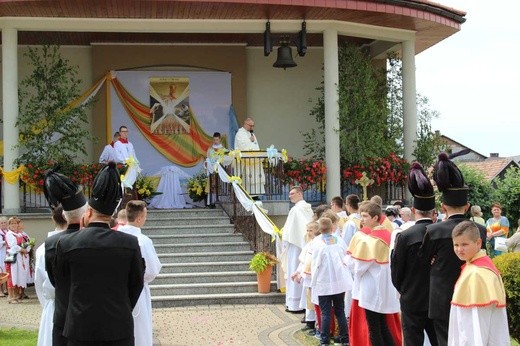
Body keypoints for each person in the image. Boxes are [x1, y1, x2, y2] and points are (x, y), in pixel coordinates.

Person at [54, 162, 144, 345]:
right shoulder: (129, 243)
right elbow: (136, 285)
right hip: (118, 326)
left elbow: (61, 286)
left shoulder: (66, 243)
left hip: (80, 328)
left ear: (88, 212)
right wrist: (121, 308)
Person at [421, 153, 487, 346]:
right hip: (471, 295)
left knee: (444, 341)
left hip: (441, 297)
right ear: (467, 206)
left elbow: (424, 260)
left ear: (442, 207)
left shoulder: (433, 230)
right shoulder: (480, 230)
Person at [391, 162, 438, 346]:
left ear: (412, 211)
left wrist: (405, 290)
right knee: (440, 341)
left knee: (412, 341)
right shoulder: (442, 234)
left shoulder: (404, 235)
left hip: (411, 299)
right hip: (436, 298)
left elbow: (396, 271)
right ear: (434, 213)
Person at [43, 168, 88, 346]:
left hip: (63, 313)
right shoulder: (93, 241)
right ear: (87, 214)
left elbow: (52, 281)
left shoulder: (50, 244)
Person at [345, 201, 402, 346]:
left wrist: (347, 261)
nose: (362, 220)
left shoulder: (369, 240)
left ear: (375, 218)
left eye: (365, 216)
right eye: (361, 216)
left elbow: (358, 267)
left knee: (374, 329)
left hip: (371, 288)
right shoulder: (389, 234)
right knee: (383, 326)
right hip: (385, 287)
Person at [448, 220, 510, 345]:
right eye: (456, 245)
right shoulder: (475, 266)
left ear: (478, 243)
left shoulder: (478, 273)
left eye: (464, 244)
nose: (459, 249)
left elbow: (476, 327)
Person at [119, 200, 162, 346]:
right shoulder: (143, 241)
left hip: (115, 290)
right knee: (140, 331)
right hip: (138, 291)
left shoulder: (114, 237)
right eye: (145, 216)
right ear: (139, 218)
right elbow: (152, 270)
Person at [309, 217, 352, 346]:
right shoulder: (339, 240)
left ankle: (324, 340)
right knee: (340, 310)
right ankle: (345, 339)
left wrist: (314, 281)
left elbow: (315, 263)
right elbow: (346, 256)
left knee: (326, 312)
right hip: (339, 281)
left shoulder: (316, 242)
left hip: (324, 282)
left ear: (319, 229)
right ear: (331, 227)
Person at [35, 205, 68, 346]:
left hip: (54, 302)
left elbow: (38, 281)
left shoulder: (43, 248)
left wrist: (46, 302)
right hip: (61, 302)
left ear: (53, 219)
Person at [280, 186, 314, 313]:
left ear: (300, 194)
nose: (290, 196)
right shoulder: (307, 208)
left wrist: (284, 238)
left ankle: (295, 304)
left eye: (292, 194)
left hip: (295, 246)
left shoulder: (296, 210)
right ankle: (301, 304)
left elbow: (291, 230)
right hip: (302, 244)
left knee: (294, 271)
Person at [233, 117, 265, 195]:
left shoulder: (251, 133)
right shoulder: (240, 133)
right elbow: (241, 146)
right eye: (250, 125)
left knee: (256, 177)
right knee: (247, 179)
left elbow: (256, 145)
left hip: (254, 160)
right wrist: (249, 140)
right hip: (245, 162)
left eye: (253, 126)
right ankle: (248, 195)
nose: (252, 128)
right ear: (245, 123)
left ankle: (256, 195)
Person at [205, 132, 228, 207]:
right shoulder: (210, 149)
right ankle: (211, 202)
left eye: (217, 140)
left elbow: (226, 160)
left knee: (219, 187)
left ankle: (220, 203)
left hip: (220, 170)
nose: (215, 141)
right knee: (212, 187)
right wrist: (207, 163)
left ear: (220, 139)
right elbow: (207, 158)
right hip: (212, 170)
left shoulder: (223, 149)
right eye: (214, 140)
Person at [0, 216, 8, 297]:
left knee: (7, 271)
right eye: (1, 223)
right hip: (1, 254)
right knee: (1, 272)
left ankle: (6, 289)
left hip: (7, 254)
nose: (3, 224)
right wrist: (3, 242)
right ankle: (0, 290)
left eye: (4, 222)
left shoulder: (8, 232)